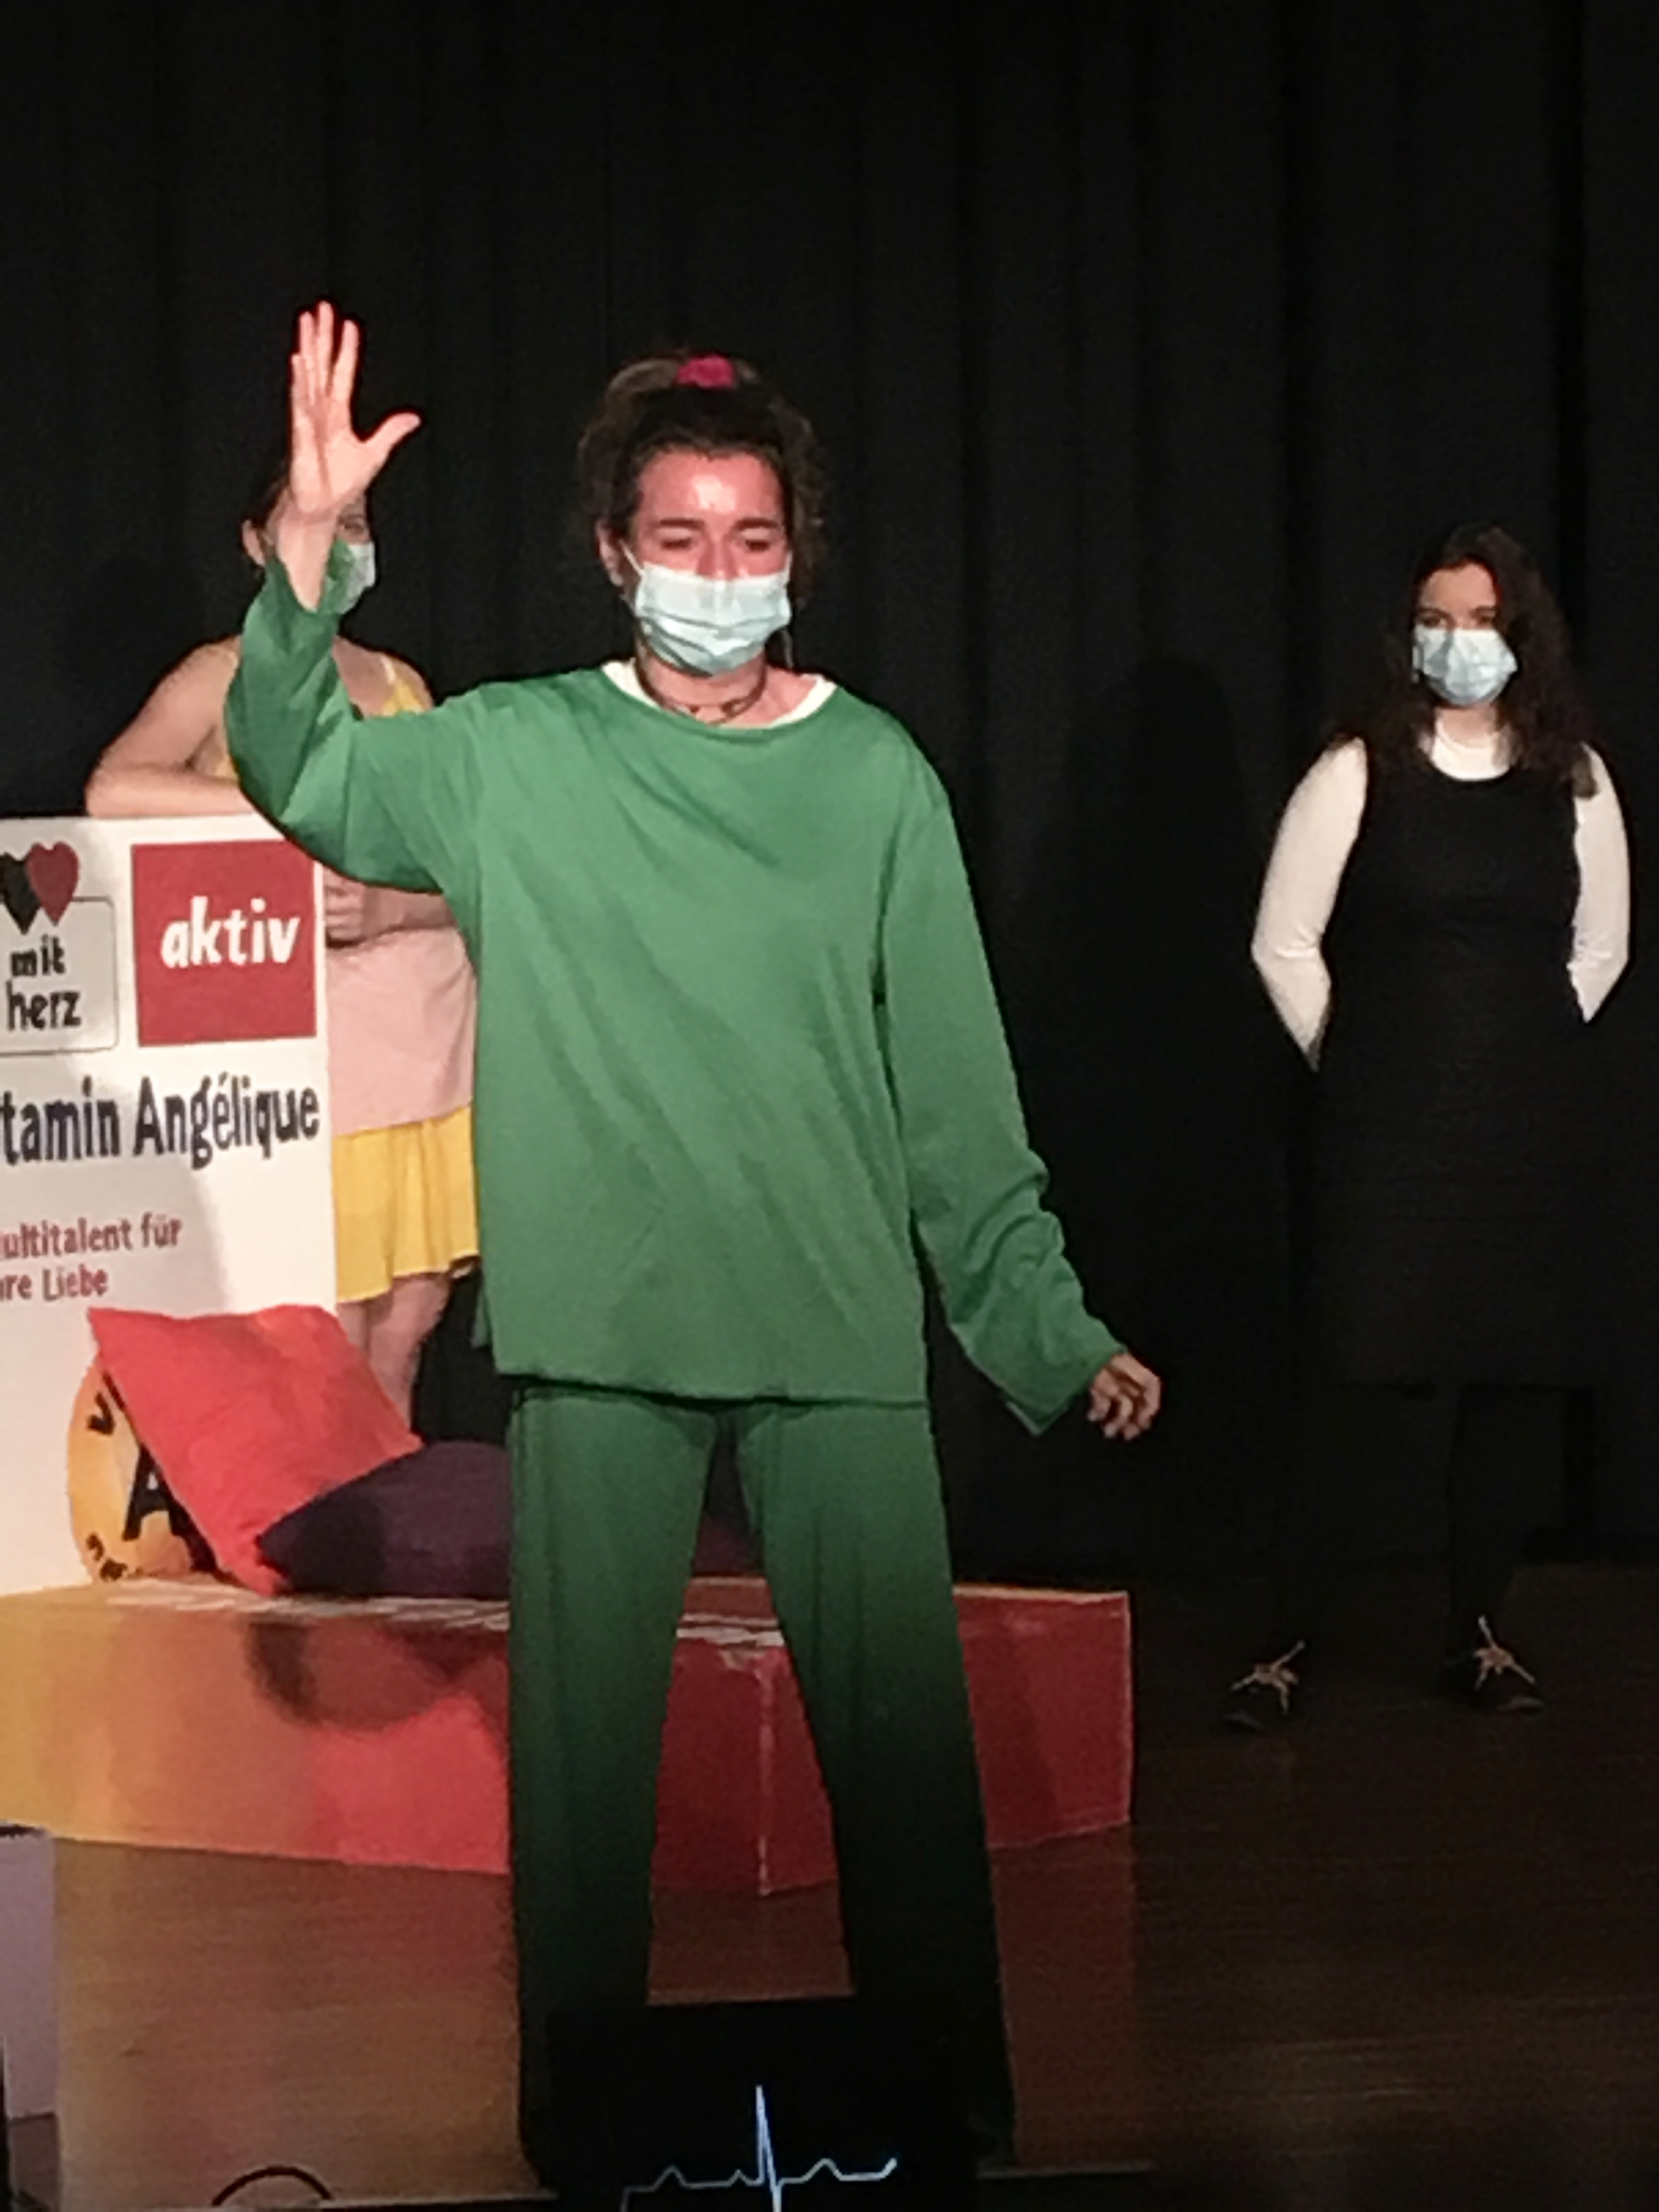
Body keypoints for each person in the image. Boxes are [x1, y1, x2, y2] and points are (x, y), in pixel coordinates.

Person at [223, 302, 1163, 2161]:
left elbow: (955, 1094)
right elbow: (300, 765)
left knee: (902, 1768)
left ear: (795, 557)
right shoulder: (515, 754)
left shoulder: (874, 777)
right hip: (604, 1336)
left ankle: (954, 2125)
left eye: (750, 542)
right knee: (582, 1789)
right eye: (679, 539)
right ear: (612, 552)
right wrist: (312, 544)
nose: (716, 577)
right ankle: (584, 2133)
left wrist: (1042, 1324)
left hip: (830, 1328)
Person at [1227, 522, 1629, 1730]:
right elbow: (1283, 942)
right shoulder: (1360, 770)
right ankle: (1290, 1634)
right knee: (1352, 1381)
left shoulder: (1574, 778)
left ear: (1524, 636)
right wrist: (1362, 1060)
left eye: (1483, 622)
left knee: (1508, 1387)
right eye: (1438, 621)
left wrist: (1516, 1053)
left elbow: (1601, 946)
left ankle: (1480, 1632)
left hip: (1523, 1134)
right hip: (1388, 1136)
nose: (1459, 643)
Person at [85, 459, 478, 1419]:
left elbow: (465, 862)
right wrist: (288, 815)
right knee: (327, 1335)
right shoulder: (223, 674)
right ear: (259, 545)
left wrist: (393, 908)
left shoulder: (401, 682)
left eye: (357, 524)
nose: (340, 546)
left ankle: (393, 1509)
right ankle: (330, 1508)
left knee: (405, 1334)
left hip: (429, 1040)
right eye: (316, 523)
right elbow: (115, 791)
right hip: (317, 1056)